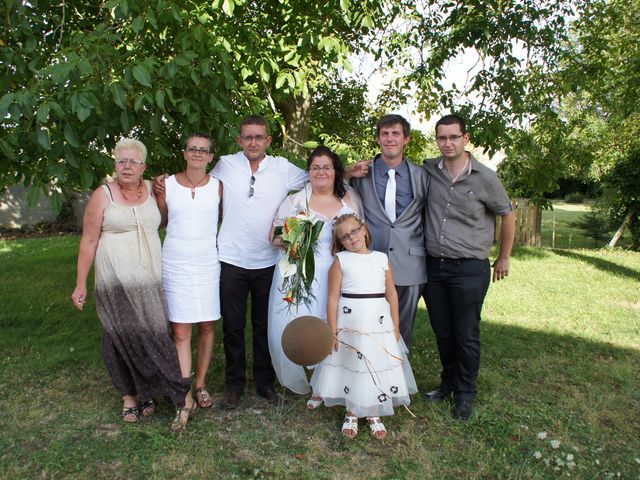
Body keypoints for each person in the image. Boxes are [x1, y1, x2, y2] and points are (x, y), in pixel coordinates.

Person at [70, 138, 194, 432]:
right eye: (121, 160)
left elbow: (164, 221)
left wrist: (162, 190)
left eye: (133, 162)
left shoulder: (153, 189)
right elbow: (88, 240)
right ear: (115, 164)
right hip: (114, 278)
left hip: (149, 276)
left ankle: (149, 389)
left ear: (144, 167)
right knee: (121, 334)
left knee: (152, 332)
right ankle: (129, 396)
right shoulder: (103, 195)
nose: (127, 166)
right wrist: (80, 284)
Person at [422, 114, 516, 421]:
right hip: (434, 268)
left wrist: (503, 256)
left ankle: (465, 393)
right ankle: (448, 382)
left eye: (453, 137)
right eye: (442, 138)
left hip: (469, 269)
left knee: (466, 333)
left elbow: (507, 214)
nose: (447, 143)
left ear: (466, 138)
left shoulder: (485, 178)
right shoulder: (428, 171)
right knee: (443, 332)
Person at [212, 115, 307, 409]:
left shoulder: (282, 168)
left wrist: (350, 173)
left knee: (265, 326)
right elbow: (196, 179)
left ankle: (266, 383)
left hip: (268, 260)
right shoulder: (225, 164)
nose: (253, 142)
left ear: (268, 140)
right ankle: (235, 384)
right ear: (239, 140)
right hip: (231, 258)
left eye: (259, 137)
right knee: (233, 326)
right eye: (247, 137)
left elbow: (318, 177)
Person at [267, 146, 363, 402]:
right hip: (301, 270)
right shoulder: (295, 200)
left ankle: (328, 379)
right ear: (308, 172)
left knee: (335, 322)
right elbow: (273, 236)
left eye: (327, 167)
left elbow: (357, 234)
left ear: (336, 171)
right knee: (298, 321)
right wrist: (296, 241)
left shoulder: (349, 200)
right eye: (315, 167)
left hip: (339, 271)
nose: (321, 172)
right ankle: (301, 367)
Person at [310, 213, 417, 440]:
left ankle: (373, 413)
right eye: (345, 237)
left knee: (376, 362)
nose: (352, 238)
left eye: (355, 231)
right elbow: (332, 298)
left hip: (378, 323)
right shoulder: (341, 261)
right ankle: (351, 412)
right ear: (340, 242)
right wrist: (332, 329)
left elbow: (391, 293)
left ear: (365, 229)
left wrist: (395, 324)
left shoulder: (381, 259)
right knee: (352, 364)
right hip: (350, 323)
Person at [347, 114, 429, 350]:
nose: (390, 138)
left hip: (410, 261)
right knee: (366, 322)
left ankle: (398, 377)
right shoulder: (362, 173)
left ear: (406, 139)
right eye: (384, 133)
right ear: (377, 139)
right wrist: (346, 173)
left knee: (402, 327)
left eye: (395, 134)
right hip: (369, 257)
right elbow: (336, 191)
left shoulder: (421, 176)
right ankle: (368, 375)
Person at [155, 133, 221, 410]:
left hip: (207, 262)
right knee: (180, 330)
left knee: (206, 326)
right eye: (192, 149)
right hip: (175, 263)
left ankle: (201, 383)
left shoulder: (218, 187)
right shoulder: (166, 185)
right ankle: (184, 391)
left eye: (202, 150)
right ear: (184, 153)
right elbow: (161, 221)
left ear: (210, 157)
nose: (197, 153)